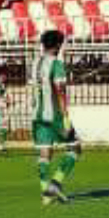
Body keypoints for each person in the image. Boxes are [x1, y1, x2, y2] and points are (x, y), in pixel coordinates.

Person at [31, 29, 80, 205]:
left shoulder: (35, 63)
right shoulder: (57, 64)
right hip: (55, 116)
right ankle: (55, 183)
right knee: (75, 148)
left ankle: (46, 195)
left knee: (44, 153)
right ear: (58, 45)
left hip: (37, 115)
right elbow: (60, 90)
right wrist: (65, 116)